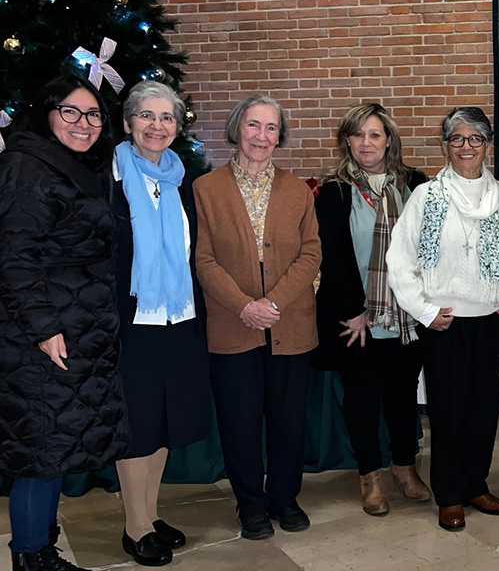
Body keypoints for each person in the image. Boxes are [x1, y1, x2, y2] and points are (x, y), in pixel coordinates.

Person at [0, 75, 129, 571]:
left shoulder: (69, 165)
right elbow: (13, 256)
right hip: (40, 336)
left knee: (52, 443)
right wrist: (43, 328)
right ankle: (31, 558)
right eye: (70, 112)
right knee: (41, 451)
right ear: (47, 114)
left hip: (72, 326)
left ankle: (40, 546)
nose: (84, 123)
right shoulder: (25, 167)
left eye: (93, 114)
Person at [193, 95, 321, 541]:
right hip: (233, 325)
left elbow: (311, 254)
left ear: (279, 136)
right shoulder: (205, 189)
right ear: (237, 129)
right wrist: (245, 305)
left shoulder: (297, 190)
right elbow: (203, 259)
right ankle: (251, 505)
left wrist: (274, 303)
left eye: (271, 128)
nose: (261, 136)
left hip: (291, 325)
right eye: (253, 125)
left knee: (288, 421)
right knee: (239, 421)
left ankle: (285, 499)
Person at [386, 107, 499, 532]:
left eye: (475, 138)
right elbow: (400, 257)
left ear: (487, 145)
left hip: (490, 317)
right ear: (445, 146)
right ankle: (448, 493)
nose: (466, 147)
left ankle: (475, 484)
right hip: (444, 320)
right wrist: (424, 310)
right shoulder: (427, 197)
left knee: (483, 407)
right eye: (457, 139)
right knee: (448, 409)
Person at [312, 103, 430, 516]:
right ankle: (370, 476)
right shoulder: (335, 191)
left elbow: (428, 248)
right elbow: (333, 255)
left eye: (375, 134)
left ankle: (404, 466)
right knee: (362, 398)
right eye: (358, 134)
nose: (366, 143)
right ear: (347, 140)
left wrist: (424, 304)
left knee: (402, 396)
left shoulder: (414, 184)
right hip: (358, 318)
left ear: (389, 140)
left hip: (407, 317)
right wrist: (354, 310)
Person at [112, 81, 212, 566]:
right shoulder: (108, 179)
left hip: (180, 316)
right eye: (146, 116)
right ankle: (133, 526)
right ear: (129, 122)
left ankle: (149, 514)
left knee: (165, 420)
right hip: (132, 318)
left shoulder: (182, 180)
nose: (157, 126)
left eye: (167, 117)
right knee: (138, 423)